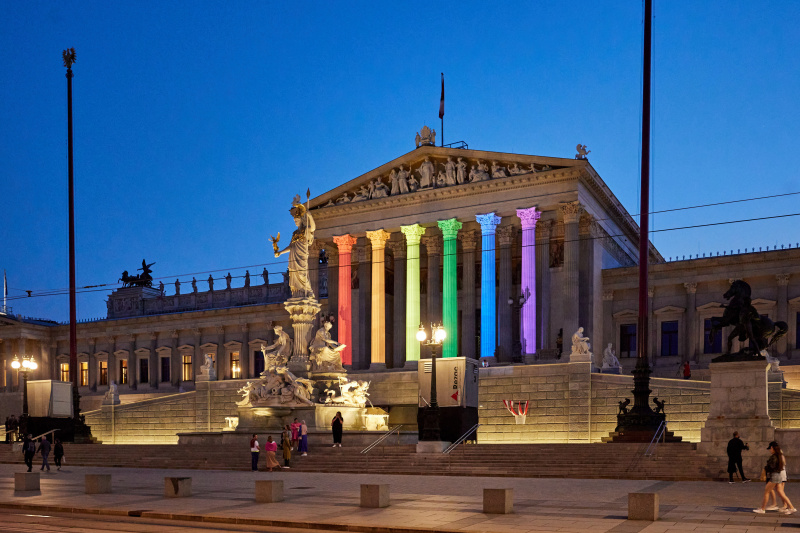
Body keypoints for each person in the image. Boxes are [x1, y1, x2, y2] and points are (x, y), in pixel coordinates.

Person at [754, 441, 795, 514]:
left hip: (774, 476)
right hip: (779, 476)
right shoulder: (779, 455)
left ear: (772, 448)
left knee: (767, 491)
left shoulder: (774, 456)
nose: (769, 450)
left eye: (770, 449)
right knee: (781, 493)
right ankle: (791, 507)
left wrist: (765, 470)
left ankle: (762, 509)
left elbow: (771, 466)